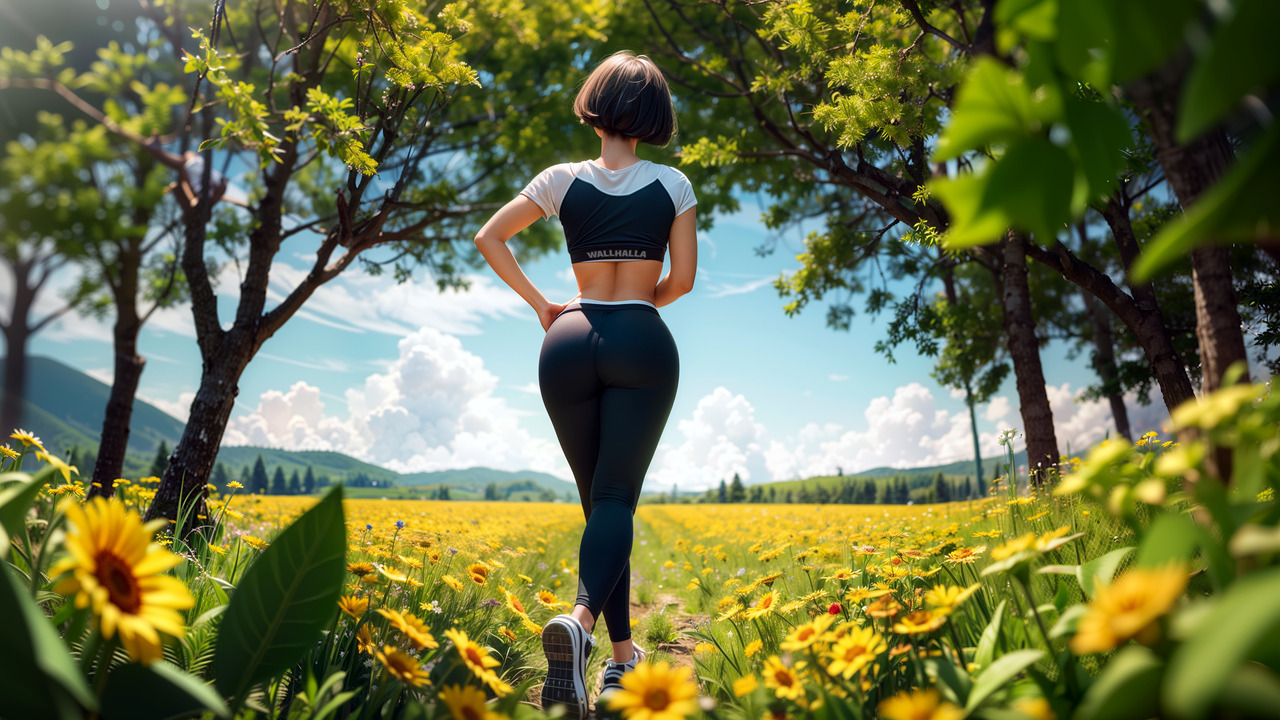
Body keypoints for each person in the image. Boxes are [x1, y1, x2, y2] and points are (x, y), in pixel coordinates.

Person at [473, 51, 696, 718]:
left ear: (593, 106)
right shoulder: (673, 185)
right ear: (653, 118)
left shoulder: (560, 180)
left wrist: (545, 306)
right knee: (617, 498)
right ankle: (580, 624)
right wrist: (638, 303)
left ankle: (620, 662)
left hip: (566, 341)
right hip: (641, 338)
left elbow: (490, 238)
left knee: (599, 503)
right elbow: (681, 282)